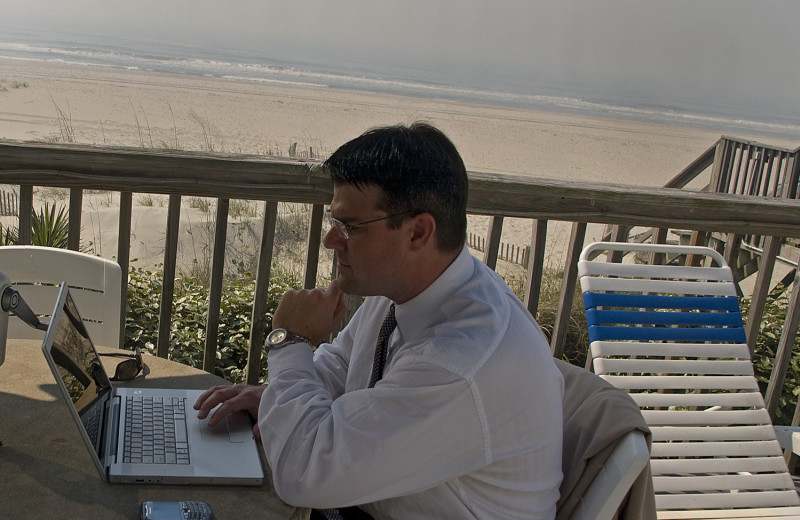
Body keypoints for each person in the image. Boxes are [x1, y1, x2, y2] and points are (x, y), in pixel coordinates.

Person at [195, 122, 564, 519]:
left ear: (418, 232)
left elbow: (304, 475)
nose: (331, 240)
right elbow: (341, 366)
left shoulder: (464, 359)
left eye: (350, 227)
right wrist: (279, 399)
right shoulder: (410, 288)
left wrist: (289, 343)